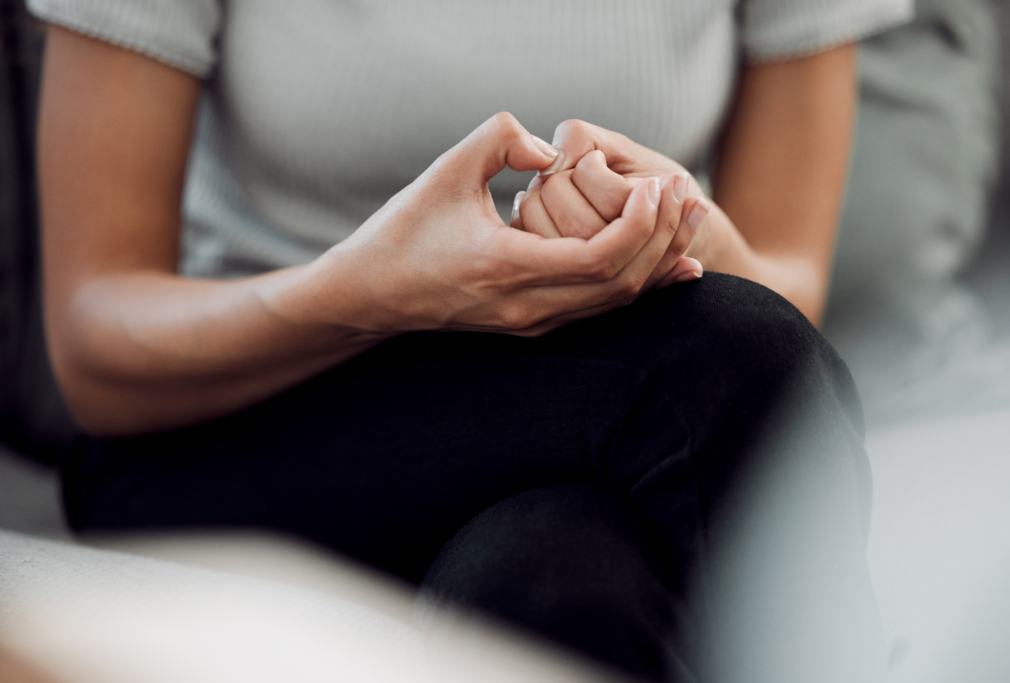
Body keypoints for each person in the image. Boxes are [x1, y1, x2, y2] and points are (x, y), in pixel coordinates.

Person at [30, 1, 911, 681]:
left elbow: (788, 274)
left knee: (553, 584)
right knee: (731, 359)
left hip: (581, 405)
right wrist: (367, 290)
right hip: (238, 419)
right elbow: (92, 345)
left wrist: (682, 224)